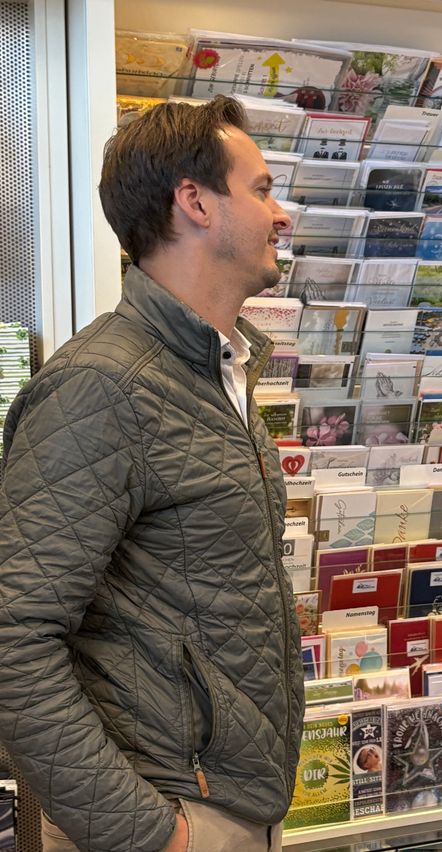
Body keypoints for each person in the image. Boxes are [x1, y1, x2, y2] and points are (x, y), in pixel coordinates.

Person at [0, 96, 305, 851]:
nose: (282, 214)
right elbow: (13, 639)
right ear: (194, 201)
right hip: (171, 816)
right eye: (262, 189)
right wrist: (148, 835)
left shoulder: (219, 370)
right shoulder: (104, 386)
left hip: (233, 801)